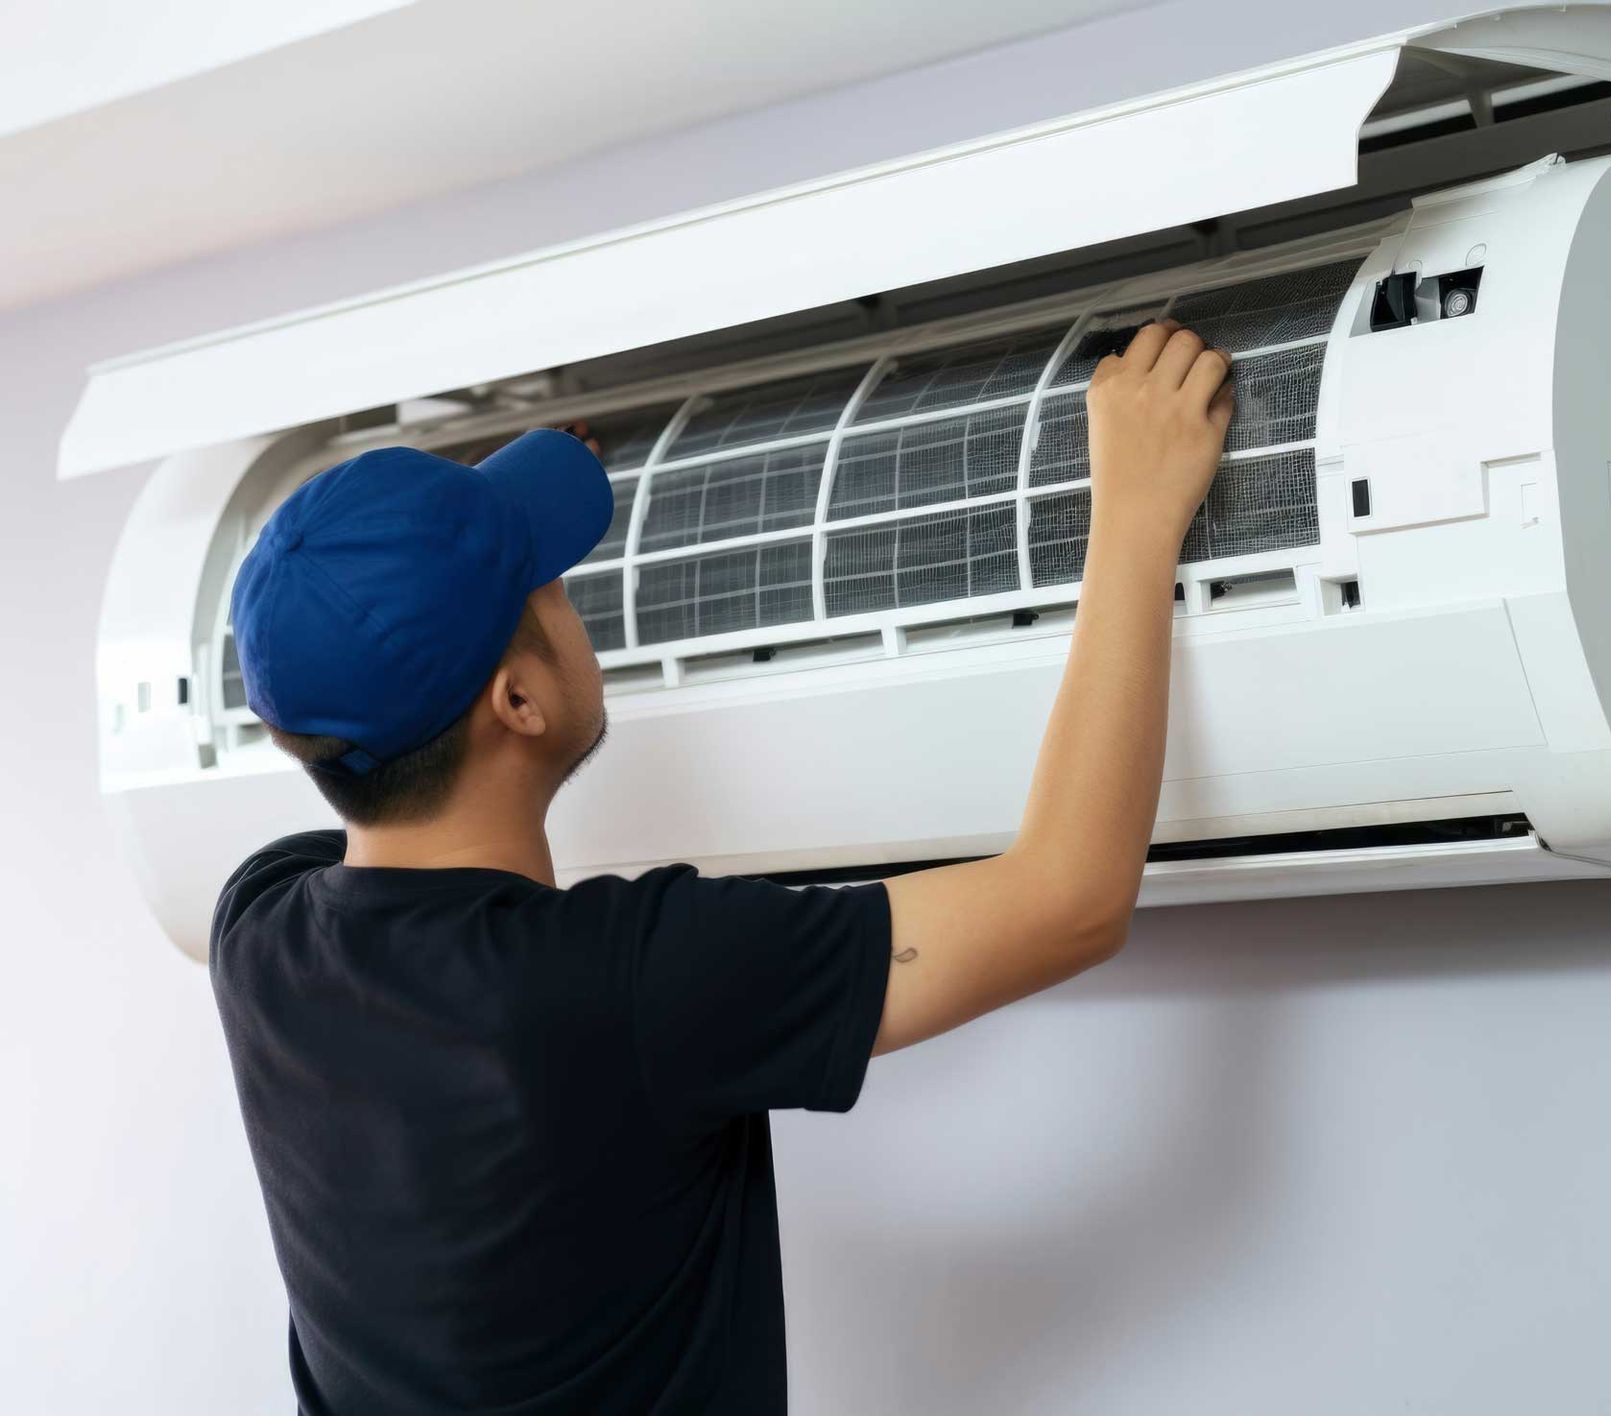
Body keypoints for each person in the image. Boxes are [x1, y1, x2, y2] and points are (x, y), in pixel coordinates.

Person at [212, 319, 1234, 1414]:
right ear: (518, 700)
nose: (570, 599)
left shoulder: (258, 934)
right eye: (552, 587)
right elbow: (1071, 898)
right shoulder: (629, 983)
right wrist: (1136, 514)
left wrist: (438, 560)